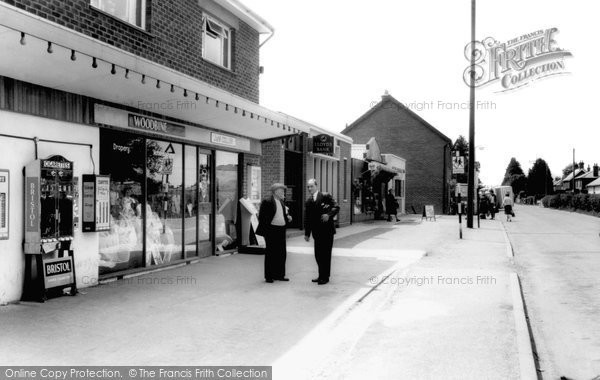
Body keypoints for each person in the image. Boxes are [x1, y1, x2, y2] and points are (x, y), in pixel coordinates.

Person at [304, 179, 340, 285]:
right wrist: (307, 233)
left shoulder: (326, 196)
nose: (310, 188)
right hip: (317, 232)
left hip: (327, 231)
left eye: (311, 186)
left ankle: (325, 277)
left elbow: (336, 206)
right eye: (308, 187)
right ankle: (321, 275)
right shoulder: (309, 201)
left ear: (316, 186)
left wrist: (328, 215)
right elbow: (308, 218)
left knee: (326, 254)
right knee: (318, 255)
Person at [256, 183, 292, 283]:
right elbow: (262, 217)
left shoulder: (281, 202)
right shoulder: (267, 202)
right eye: (281, 191)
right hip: (271, 231)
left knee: (281, 253)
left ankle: (280, 275)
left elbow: (282, 214)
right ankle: (269, 276)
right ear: (275, 191)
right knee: (271, 253)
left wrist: (287, 218)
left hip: (281, 230)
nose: (283, 193)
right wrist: (266, 231)